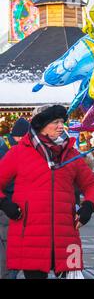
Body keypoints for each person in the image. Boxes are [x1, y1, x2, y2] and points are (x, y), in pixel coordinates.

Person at [0, 105, 94, 279]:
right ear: (42, 126)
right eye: (55, 122)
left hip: (66, 237)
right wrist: (5, 204)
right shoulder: (19, 153)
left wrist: (88, 207)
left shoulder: (71, 155)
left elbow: (92, 185)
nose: (61, 126)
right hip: (31, 236)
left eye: (62, 122)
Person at [0, 117, 30, 279]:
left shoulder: (5, 145)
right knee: (9, 245)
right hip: (7, 204)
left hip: (6, 202)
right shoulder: (9, 150)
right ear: (20, 136)